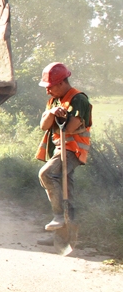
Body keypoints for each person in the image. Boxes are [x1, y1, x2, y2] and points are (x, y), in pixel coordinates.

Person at [36, 62, 91, 236]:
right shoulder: (53, 101)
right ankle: (63, 237)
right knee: (67, 191)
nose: (47, 91)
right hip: (59, 150)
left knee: (46, 174)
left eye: (50, 87)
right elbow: (44, 126)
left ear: (61, 83)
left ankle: (59, 216)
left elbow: (70, 128)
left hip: (73, 150)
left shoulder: (79, 99)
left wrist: (63, 116)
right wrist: (52, 113)